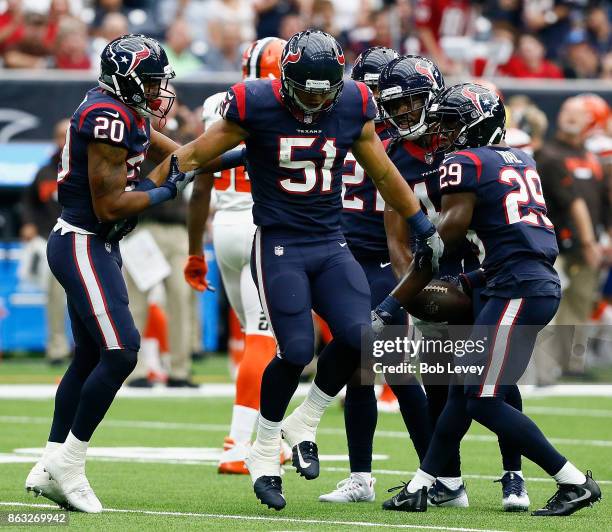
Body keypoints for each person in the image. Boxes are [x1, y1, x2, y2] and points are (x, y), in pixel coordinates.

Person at [145, 30, 439, 511]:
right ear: (285, 80)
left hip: (330, 242)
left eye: (328, 91)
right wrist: (147, 191)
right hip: (279, 241)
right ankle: (262, 450)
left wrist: (421, 223)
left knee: (360, 336)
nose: (319, 101)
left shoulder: (351, 103)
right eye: (310, 90)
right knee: (297, 347)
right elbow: (196, 154)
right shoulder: (254, 102)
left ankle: (306, 419)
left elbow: (385, 172)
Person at [372, 83, 601, 517]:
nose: (443, 131)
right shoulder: (521, 158)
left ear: (476, 124)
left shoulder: (465, 162)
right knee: (463, 391)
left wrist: (391, 303)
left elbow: (443, 241)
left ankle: (571, 480)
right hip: (515, 278)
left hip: (516, 287)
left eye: (453, 122)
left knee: (481, 397)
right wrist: (473, 277)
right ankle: (423, 484)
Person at [24, 34, 191, 513]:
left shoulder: (124, 109)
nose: (159, 89)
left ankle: (51, 458)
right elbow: (110, 204)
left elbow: (179, 154)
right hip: (83, 239)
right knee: (121, 353)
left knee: (89, 357)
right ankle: (70, 463)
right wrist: (165, 191)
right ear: (127, 80)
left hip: (96, 242)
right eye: (152, 80)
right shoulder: (106, 116)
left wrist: (241, 154)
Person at [320, 49, 438, 506]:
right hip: (350, 256)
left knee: (392, 372)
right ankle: (368, 476)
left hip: (380, 261)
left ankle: (438, 476)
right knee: (365, 372)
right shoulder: (357, 127)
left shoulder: (401, 140)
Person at [186, 36, 290, 474]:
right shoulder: (284, 105)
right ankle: (238, 443)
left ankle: (267, 434)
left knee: (256, 336)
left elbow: (202, 180)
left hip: (223, 227)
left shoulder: (217, 103)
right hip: (258, 227)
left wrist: (196, 250)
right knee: (262, 341)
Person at [536, 97, 606, 376]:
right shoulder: (549, 155)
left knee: (580, 305)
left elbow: (603, 200)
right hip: (557, 244)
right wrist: (590, 242)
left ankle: (572, 364)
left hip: (585, 245)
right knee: (551, 307)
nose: (571, 117)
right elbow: (573, 202)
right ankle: (545, 368)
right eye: (566, 111)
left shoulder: (591, 157)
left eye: (578, 114)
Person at [20, 118, 71, 365]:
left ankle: (90, 348)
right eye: (61, 136)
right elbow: (27, 202)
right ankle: (57, 349)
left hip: (81, 241)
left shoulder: (84, 166)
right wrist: (28, 223)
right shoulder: (44, 171)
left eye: (68, 135)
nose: (64, 141)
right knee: (54, 299)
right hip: (51, 242)